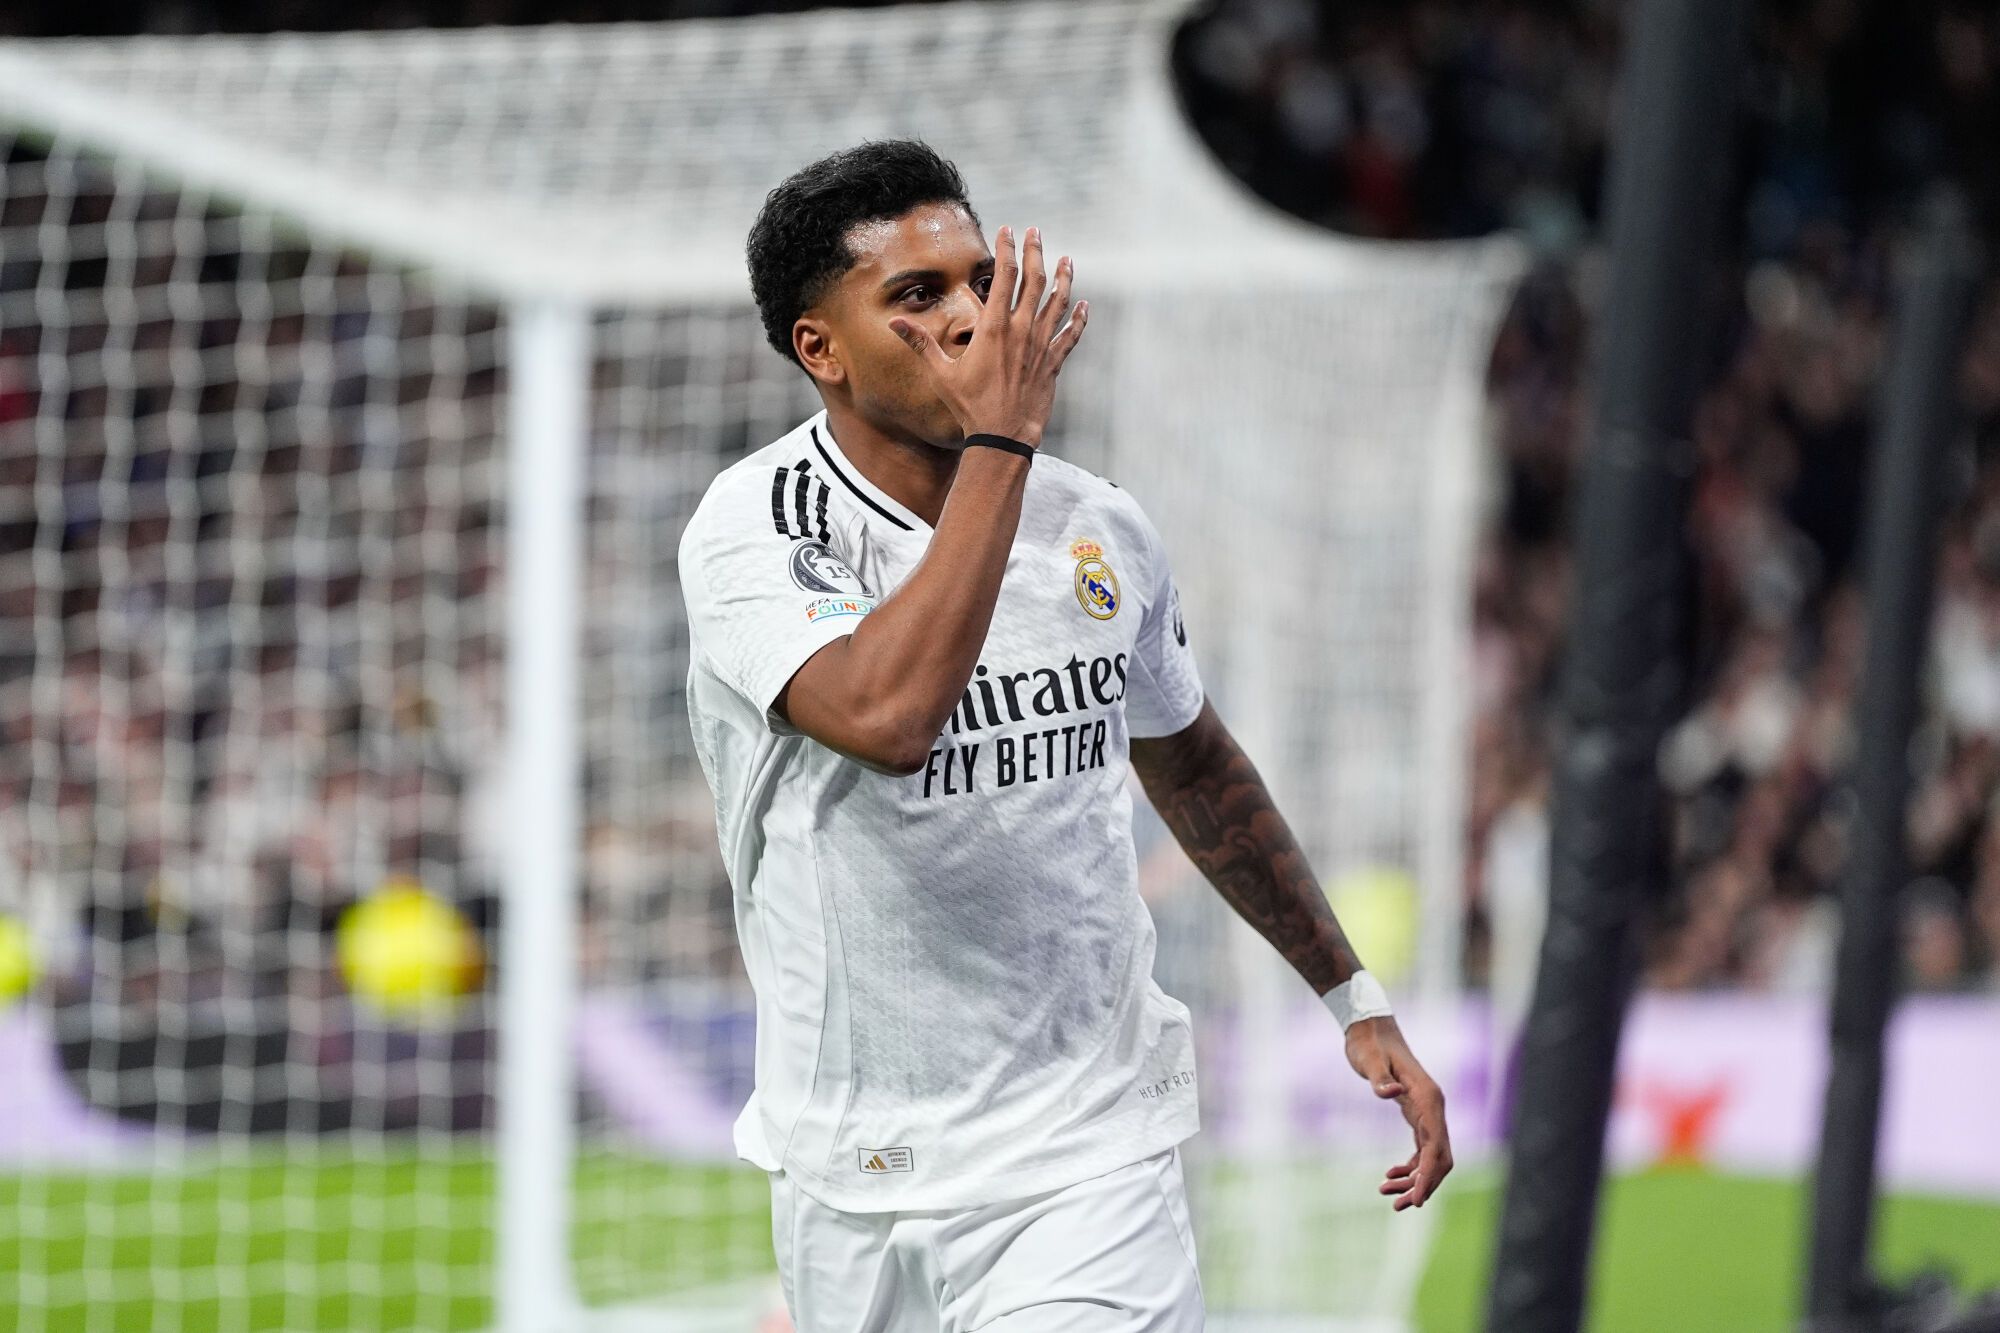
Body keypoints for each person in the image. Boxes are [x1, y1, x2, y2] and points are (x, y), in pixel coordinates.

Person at [678, 139, 1451, 1332]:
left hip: (1089, 1155)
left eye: (978, 280)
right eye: (916, 296)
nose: (972, 319)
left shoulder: (1095, 528)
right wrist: (1002, 448)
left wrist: (1349, 995)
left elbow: (1191, 760)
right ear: (816, 347)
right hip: (854, 1167)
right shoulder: (761, 528)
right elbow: (885, 717)